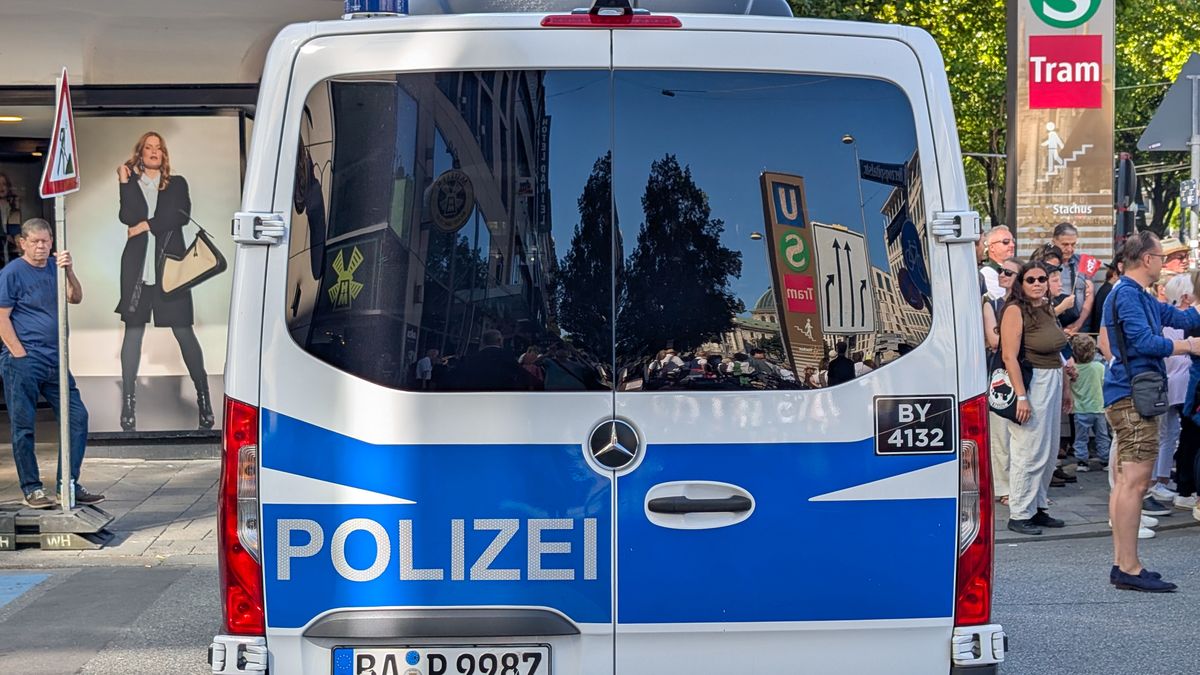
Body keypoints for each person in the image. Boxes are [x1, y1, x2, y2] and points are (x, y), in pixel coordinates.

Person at [1102, 231, 1200, 592]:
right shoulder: (1129, 294)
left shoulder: (1135, 293)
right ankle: (1128, 567)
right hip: (1133, 395)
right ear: (1147, 259)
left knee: (1128, 481)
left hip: (1129, 393)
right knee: (1135, 481)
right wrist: (1189, 346)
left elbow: (1180, 317)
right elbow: (1144, 342)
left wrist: (1193, 318)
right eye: (1160, 257)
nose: (1163, 263)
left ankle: (1124, 563)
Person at [0, 219, 104, 509]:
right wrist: (19, 354)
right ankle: (32, 488)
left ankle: (67, 485)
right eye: (35, 241)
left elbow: (75, 297)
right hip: (24, 360)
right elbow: (1, 317)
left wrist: (69, 270)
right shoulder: (12, 273)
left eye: (46, 241)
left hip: (55, 360)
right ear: (22, 243)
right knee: (23, 426)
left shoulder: (54, 268)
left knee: (77, 417)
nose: (41, 246)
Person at [116, 131, 212, 431]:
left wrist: (145, 225)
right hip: (137, 271)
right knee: (133, 335)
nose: (154, 151)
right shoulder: (132, 184)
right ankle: (128, 404)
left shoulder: (177, 183)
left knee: (184, 332)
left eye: (159, 147)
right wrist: (124, 182)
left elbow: (179, 216)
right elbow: (127, 216)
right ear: (140, 153)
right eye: (148, 147)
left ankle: (204, 400)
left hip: (170, 271)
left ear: (164, 154)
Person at [997, 260, 1071, 536]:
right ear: (1021, 283)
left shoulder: (1047, 308)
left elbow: (1059, 352)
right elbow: (1008, 356)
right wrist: (1021, 396)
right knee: (1029, 449)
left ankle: (1037, 507)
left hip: (1052, 379)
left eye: (1042, 279)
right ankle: (1019, 512)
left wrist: (1066, 389)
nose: (1038, 284)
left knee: (1048, 451)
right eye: (1031, 279)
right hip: (1032, 381)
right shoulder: (1015, 310)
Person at [1150, 273, 1195, 503]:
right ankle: (1157, 480)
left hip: (1171, 382)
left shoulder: (1169, 319)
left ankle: (1160, 478)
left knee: (1169, 432)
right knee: (1167, 433)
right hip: (1176, 382)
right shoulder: (1179, 320)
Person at [1069, 334, 1110, 473]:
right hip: (1098, 408)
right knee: (1102, 436)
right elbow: (1105, 383)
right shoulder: (1099, 367)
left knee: (1081, 438)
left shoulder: (1073, 370)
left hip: (1080, 409)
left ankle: (1082, 461)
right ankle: (1105, 460)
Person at [447, 329, 531, 391]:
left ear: (483, 342)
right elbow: (525, 377)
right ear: (499, 341)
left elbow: (453, 378)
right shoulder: (507, 357)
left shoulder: (470, 358)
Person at [1052, 223, 1095, 335]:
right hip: (1054, 326)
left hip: (1081, 328)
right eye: (1065, 244)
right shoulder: (1046, 263)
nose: (1070, 249)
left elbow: (1089, 296)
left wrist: (1078, 323)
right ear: (1054, 242)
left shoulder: (1082, 262)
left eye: (1073, 244)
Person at [979, 226, 1016, 300]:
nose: (1012, 245)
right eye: (1006, 242)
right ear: (992, 247)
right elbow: (1002, 299)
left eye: (1013, 241)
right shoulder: (987, 272)